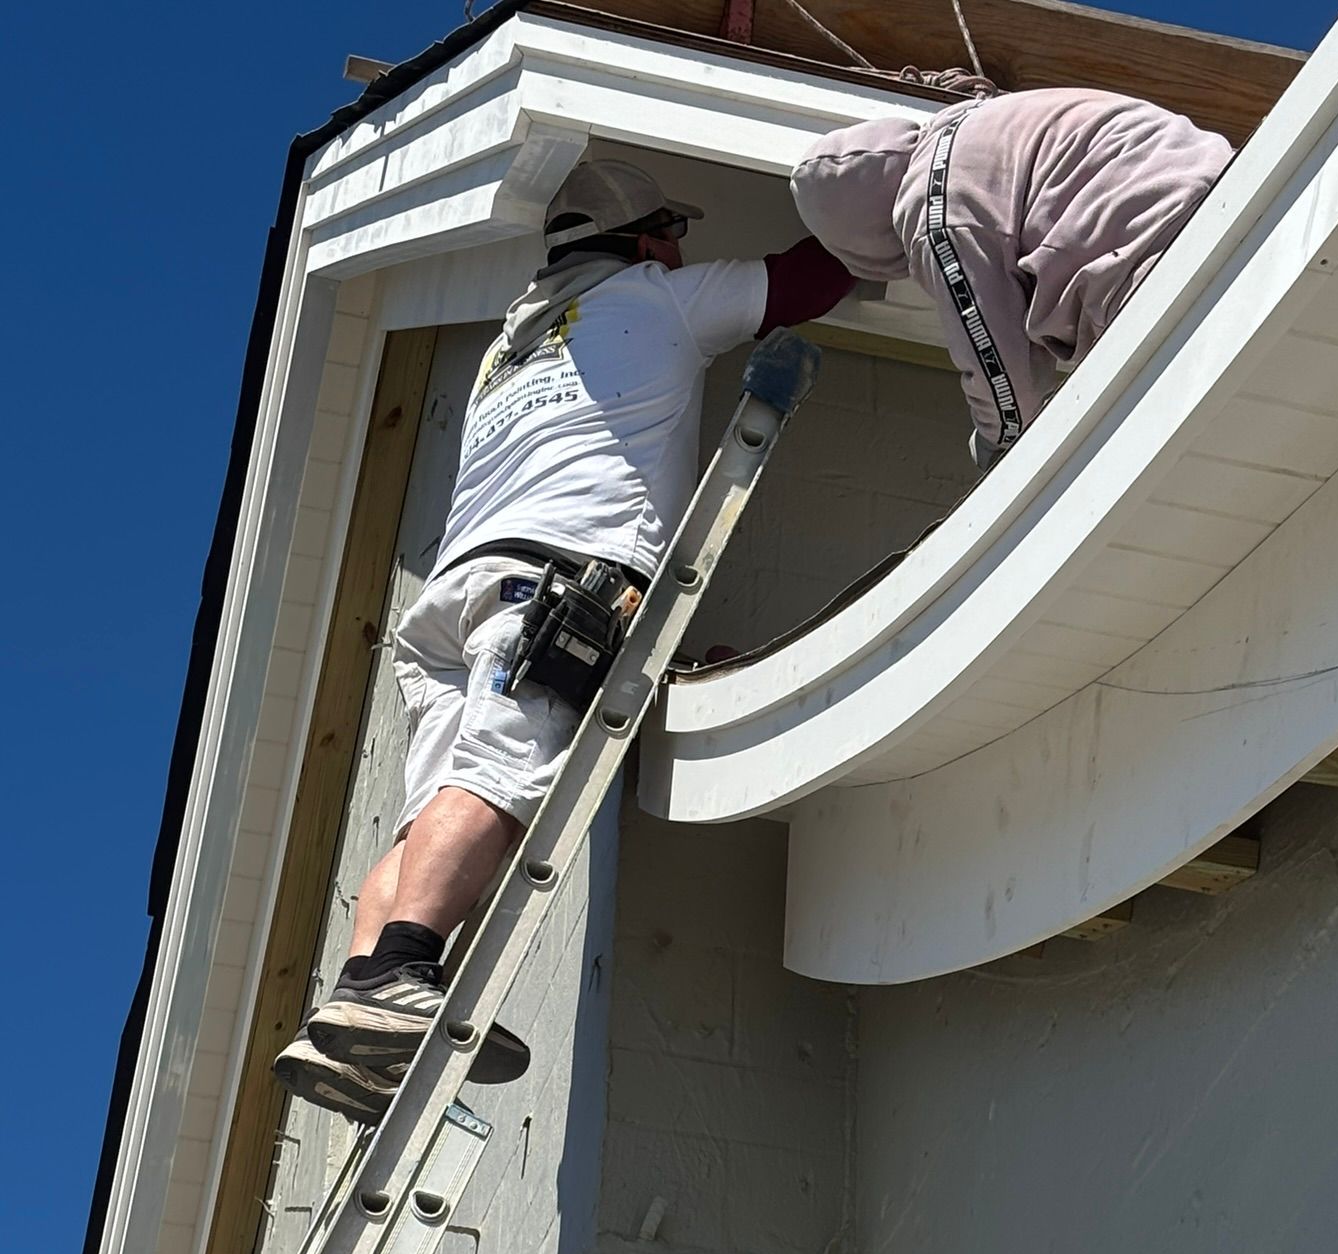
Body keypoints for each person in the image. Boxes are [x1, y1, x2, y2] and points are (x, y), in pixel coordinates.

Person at [275, 160, 853, 1118]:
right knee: (502, 781)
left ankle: (354, 1001)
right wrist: (891, 191)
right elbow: (806, 281)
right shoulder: (657, 297)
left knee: (434, 815)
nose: (681, 247)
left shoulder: (512, 342)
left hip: (456, 593)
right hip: (545, 584)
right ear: (643, 238)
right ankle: (400, 977)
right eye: (671, 231)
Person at [790, 89, 1232, 466]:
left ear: (865, 238)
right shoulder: (978, 117)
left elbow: (1004, 376)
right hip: (1225, 188)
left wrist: (995, 444)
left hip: (1152, 258)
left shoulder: (933, 208)